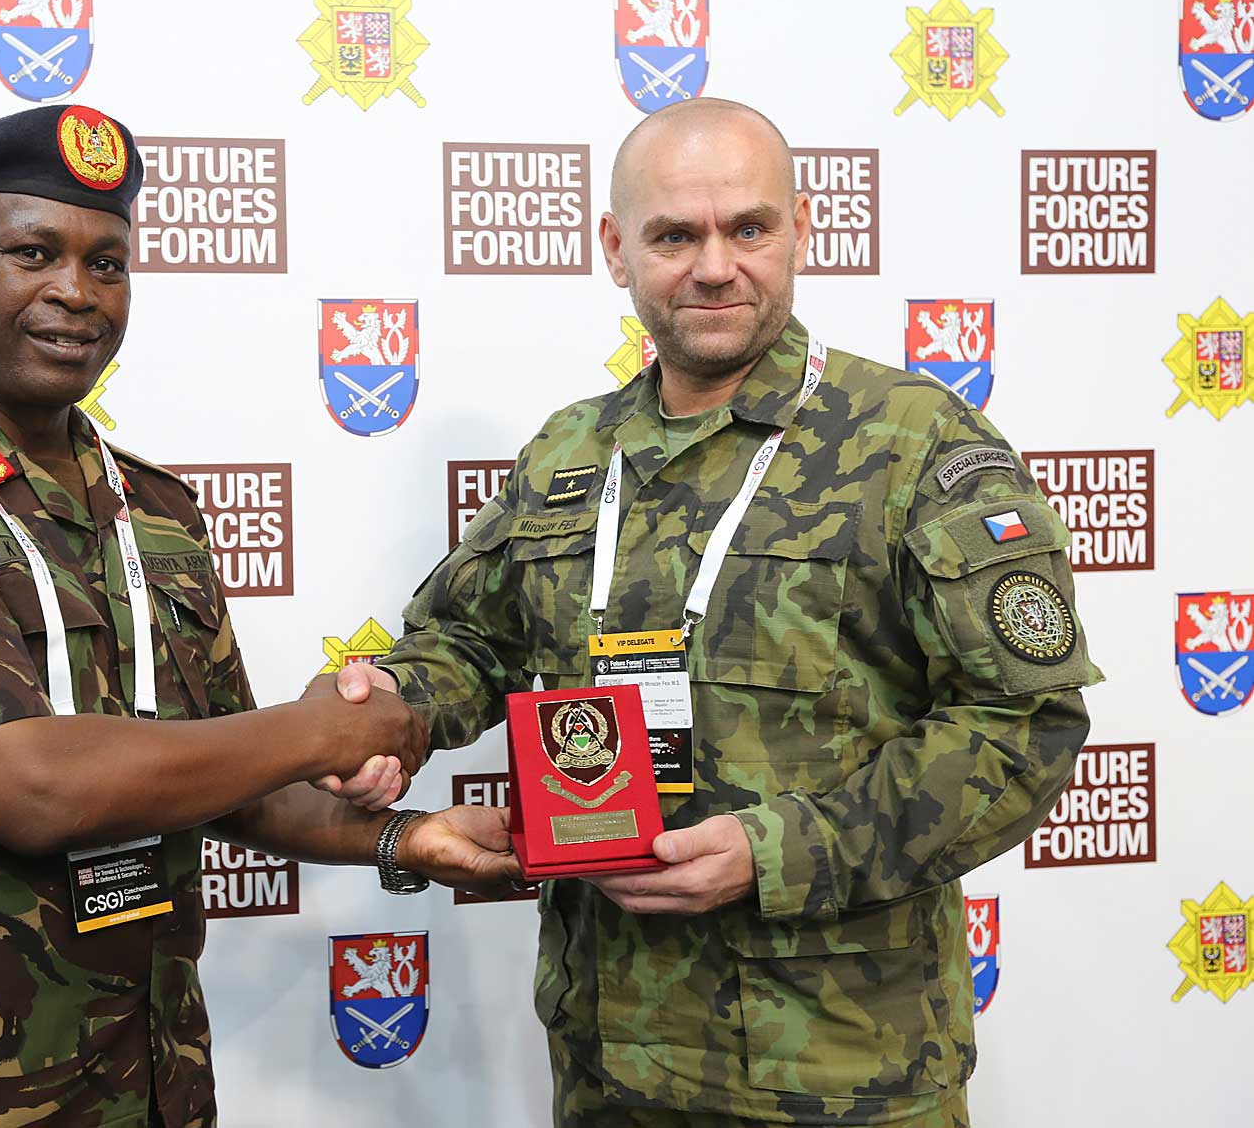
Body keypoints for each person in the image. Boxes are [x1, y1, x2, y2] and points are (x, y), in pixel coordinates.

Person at [338, 98, 1101, 1127]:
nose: (713, 267)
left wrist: (783, 851)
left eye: (748, 228)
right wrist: (389, 710)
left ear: (800, 229)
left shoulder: (913, 443)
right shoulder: (569, 453)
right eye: (672, 236)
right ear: (615, 249)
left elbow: (1022, 725)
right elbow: (472, 642)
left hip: (836, 1070)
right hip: (608, 1057)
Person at [0, 104, 518, 1128]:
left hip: (147, 1088)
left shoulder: (152, 508)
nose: (76, 292)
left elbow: (236, 786)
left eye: (106, 264)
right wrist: (318, 731)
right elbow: (32, 787)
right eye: (33, 253)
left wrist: (407, 839)